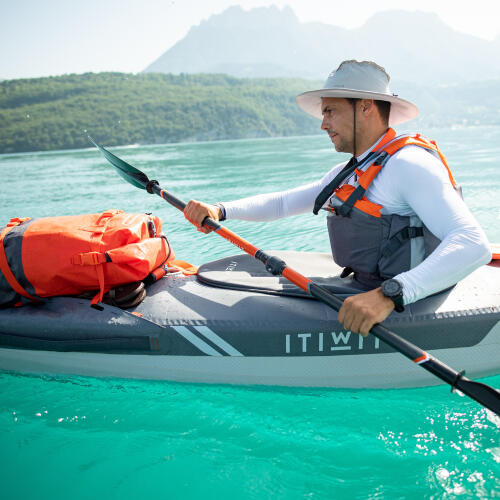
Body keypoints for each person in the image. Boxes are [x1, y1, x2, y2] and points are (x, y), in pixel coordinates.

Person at [184, 60, 492, 336]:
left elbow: (472, 244)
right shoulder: (356, 168)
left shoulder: (409, 165)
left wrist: (389, 295)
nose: (323, 124)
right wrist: (220, 210)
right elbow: (283, 203)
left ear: (365, 107)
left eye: (330, 111)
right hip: (368, 284)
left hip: (408, 297)